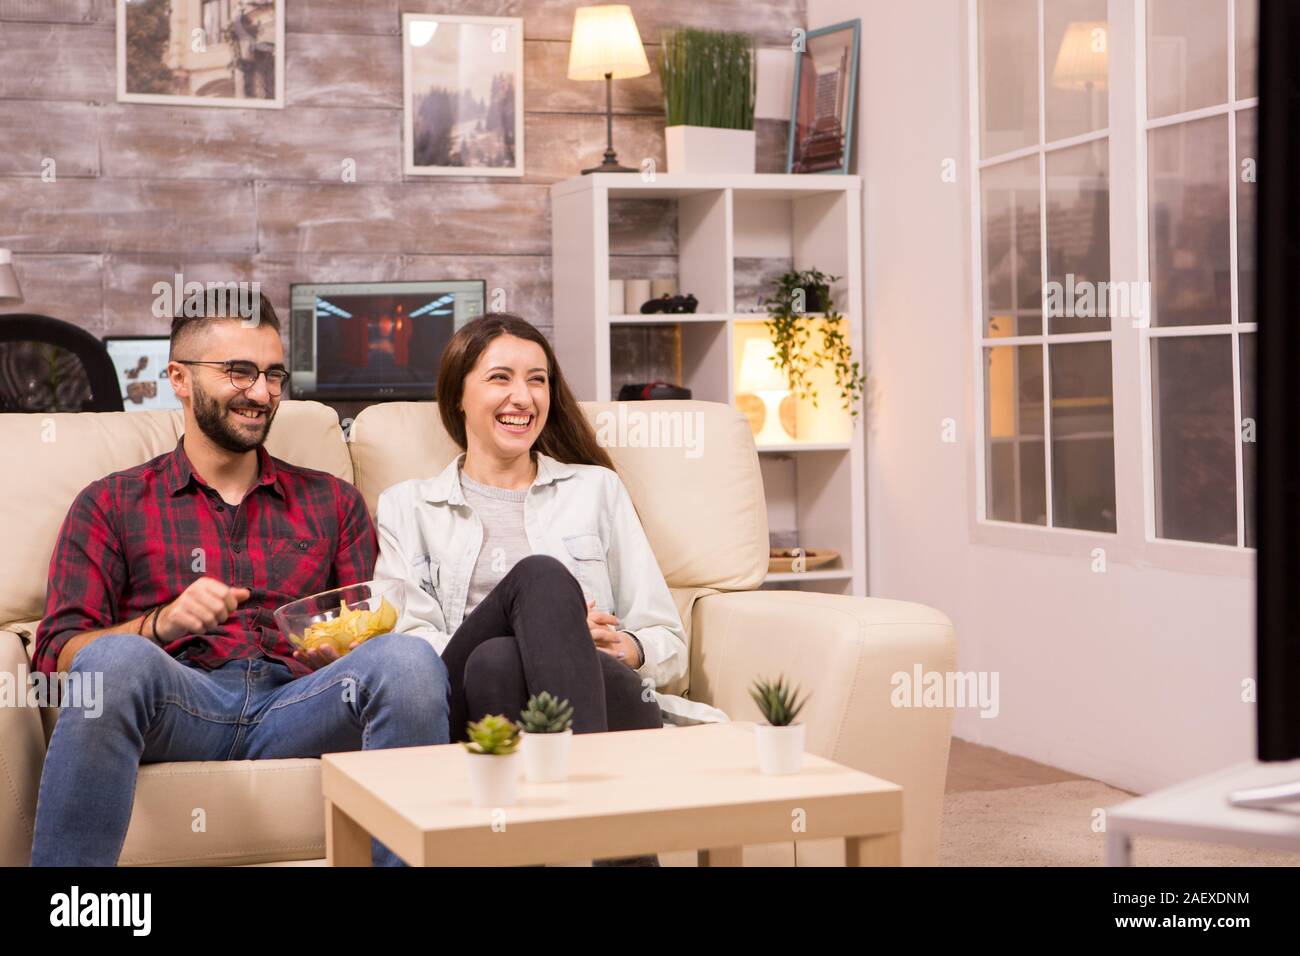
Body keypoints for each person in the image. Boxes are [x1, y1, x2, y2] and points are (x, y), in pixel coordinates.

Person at [29, 293, 448, 867]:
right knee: (114, 662)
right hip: (178, 704)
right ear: (178, 376)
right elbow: (55, 658)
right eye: (239, 371)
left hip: (298, 703)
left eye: (273, 375)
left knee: (408, 660)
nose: (261, 393)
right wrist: (158, 624)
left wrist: (339, 648)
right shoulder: (112, 502)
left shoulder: (332, 502)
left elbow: (367, 637)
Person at [377, 314, 695, 868]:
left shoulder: (596, 490)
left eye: (538, 379)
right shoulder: (408, 506)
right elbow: (411, 641)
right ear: (458, 395)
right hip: (458, 697)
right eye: (500, 377)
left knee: (504, 662)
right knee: (541, 578)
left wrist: (625, 647)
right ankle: (599, 830)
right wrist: (546, 630)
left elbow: (664, 635)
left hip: (581, 686)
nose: (522, 396)